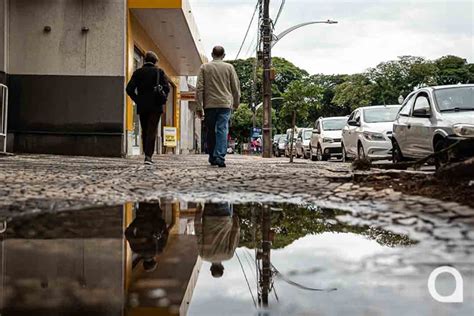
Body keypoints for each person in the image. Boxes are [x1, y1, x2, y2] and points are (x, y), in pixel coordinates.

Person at [196, 46, 241, 168]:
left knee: (210, 131)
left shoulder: (204, 67)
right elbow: (235, 87)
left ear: (212, 54)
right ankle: (220, 157)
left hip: (209, 104)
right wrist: (236, 103)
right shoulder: (229, 68)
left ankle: (212, 156)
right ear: (224, 55)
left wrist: (199, 106)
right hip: (225, 104)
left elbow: (199, 88)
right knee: (222, 129)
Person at [126, 51, 170, 165]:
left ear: (145, 60)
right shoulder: (159, 72)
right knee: (152, 130)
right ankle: (148, 156)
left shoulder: (138, 73)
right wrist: (162, 96)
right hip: (156, 106)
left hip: (143, 106)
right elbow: (167, 88)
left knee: (145, 129)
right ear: (155, 61)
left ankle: (146, 152)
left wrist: (137, 100)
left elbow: (129, 89)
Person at [194, 203, 240, 278]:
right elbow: (198, 233)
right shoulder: (203, 255)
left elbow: (234, 235)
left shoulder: (228, 255)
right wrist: (198, 215)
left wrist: (236, 220)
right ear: (211, 268)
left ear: (222, 267)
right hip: (208, 216)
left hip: (224, 216)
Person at [125, 202, 169, 272]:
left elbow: (165, 232)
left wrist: (161, 222)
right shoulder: (136, 249)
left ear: (154, 261)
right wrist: (136, 223)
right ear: (144, 262)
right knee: (144, 196)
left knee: (153, 196)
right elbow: (128, 234)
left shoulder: (159, 249)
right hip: (142, 214)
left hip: (155, 215)